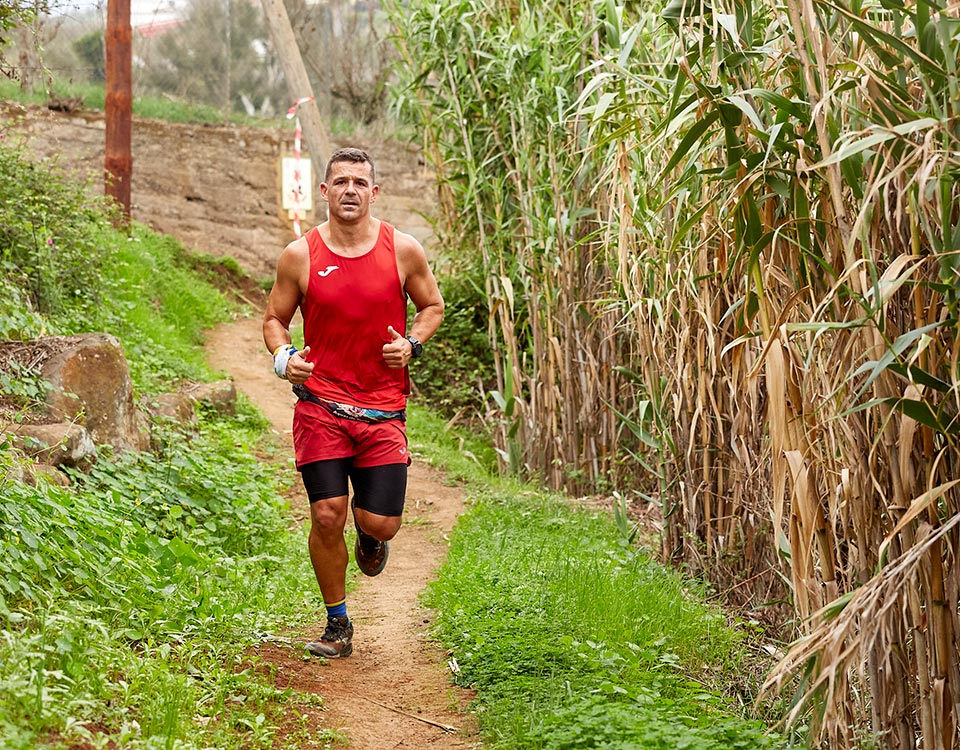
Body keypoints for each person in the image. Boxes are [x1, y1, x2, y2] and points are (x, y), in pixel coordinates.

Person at [262, 147, 444, 658]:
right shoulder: (300, 255)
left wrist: (412, 345)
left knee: (380, 521)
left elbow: (432, 306)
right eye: (340, 181)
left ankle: (370, 536)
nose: (350, 190)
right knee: (326, 514)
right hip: (320, 406)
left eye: (360, 183)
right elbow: (274, 319)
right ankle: (337, 624)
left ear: (374, 192)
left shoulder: (402, 250)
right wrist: (284, 358)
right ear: (324, 191)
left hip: (383, 408)